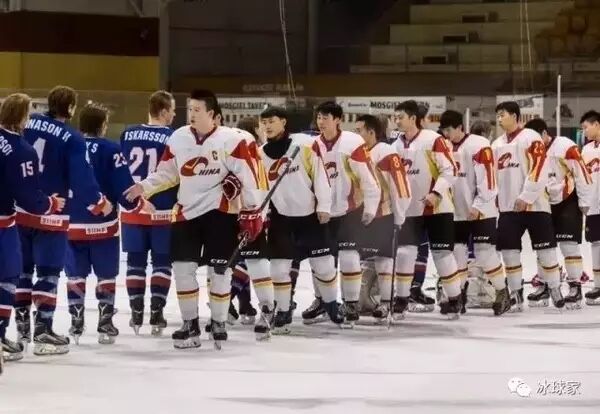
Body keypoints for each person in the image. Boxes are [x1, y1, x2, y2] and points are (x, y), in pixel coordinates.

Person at [124, 89, 266, 349]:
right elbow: (167, 173)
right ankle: (190, 324)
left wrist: (251, 210)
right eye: (190, 109)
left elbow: (248, 176)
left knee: (219, 271)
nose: (191, 114)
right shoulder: (178, 138)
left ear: (212, 114)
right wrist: (144, 187)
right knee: (182, 270)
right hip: (186, 213)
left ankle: (219, 322)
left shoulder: (233, 140)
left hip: (220, 214)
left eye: (197, 110)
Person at [15, 86, 112, 356]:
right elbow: (82, 180)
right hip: (52, 216)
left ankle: (21, 329)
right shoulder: (72, 137)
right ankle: (43, 330)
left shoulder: (27, 123)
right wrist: (99, 204)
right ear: (70, 108)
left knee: (22, 272)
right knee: (47, 273)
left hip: (20, 210)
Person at [257, 106, 343, 333]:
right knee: (278, 269)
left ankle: (331, 304)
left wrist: (324, 206)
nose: (267, 126)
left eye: (271, 121)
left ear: (283, 122)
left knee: (324, 266)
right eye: (264, 122)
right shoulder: (260, 153)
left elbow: (321, 176)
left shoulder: (304, 145)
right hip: (281, 218)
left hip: (310, 216)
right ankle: (283, 310)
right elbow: (260, 188)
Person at [0, 94, 65, 368]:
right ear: (22, 116)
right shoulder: (21, 150)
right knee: (7, 276)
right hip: (3, 225)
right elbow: (29, 198)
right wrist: (51, 203)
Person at [65, 103, 138, 345]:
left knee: (75, 274)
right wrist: (135, 205)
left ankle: (76, 320)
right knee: (106, 274)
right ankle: (105, 321)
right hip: (103, 226)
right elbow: (123, 187)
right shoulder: (110, 148)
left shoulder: (68, 146)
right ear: (103, 126)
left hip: (72, 224)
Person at [311, 101, 380, 325]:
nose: (321, 122)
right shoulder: (313, 144)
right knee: (320, 259)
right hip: (321, 212)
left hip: (349, 210)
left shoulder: (352, 142)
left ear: (338, 119)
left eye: (326, 117)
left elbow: (368, 176)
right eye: (319, 117)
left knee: (349, 257)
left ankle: (351, 304)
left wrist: (371, 207)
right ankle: (323, 301)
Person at [393, 100, 462, 319]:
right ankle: (401, 299)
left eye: (400, 117)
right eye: (395, 117)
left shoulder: (433, 140)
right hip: (410, 210)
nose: (397, 121)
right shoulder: (395, 145)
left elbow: (450, 170)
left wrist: (436, 193)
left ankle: (455, 299)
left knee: (442, 254)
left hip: (438, 209)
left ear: (413, 118)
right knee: (405, 253)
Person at [439, 110, 511, 316]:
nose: (446, 135)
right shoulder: (443, 146)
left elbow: (489, 180)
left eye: (449, 130)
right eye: (443, 131)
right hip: (455, 211)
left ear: (460, 127)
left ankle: (502, 291)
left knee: (484, 253)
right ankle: (458, 296)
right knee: (457, 253)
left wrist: (478, 205)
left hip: (482, 210)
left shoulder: (479, 145)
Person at [492, 102, 564, 310]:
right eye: (498, 115)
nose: (499, 119)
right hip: (508, 208)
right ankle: (516, 292)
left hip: (536, 206)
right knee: (509, 251)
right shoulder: (496, 144)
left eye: (503, 115)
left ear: (515, 116)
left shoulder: (531, 137)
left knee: (546, 250)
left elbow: (539, 168)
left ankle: (555, 287)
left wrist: (526, 196)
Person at [119, 90, 176, 335]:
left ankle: (136, 312)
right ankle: (156, 313)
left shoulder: (127, 133)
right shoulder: (174, 137)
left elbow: (120, 169)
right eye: (172, 110)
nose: (174, 114)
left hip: (133, 208)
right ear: (163, 111)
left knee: (135, 262)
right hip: (163, 208)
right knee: (162, 262)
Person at [523, 118, 591, 309]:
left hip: (568, 199)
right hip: (543, 201)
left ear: (545, 133)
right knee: (543, 245)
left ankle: (575, 287)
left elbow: (581, 172)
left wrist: (584, 201)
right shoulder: (528, 148)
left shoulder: (565, 146)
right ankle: (545, 285)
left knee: (569, 245)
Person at [355, 114, 411, 321]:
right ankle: (360, 301)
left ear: (371, 132)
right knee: (360, 261)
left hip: (383, 215)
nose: (356, 134)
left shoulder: (387, 152)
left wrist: (399, 216)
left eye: (359, 130)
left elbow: (401, 187)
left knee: (384, 261)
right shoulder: (356, 152)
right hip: (358, 216)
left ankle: (386, 303)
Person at [579, 110, 600, 305]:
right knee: (596, 243)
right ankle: (598, 285)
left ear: (597, 124)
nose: (584, 131)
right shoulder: (586, 150)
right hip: (593, 206)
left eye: (586, 127)